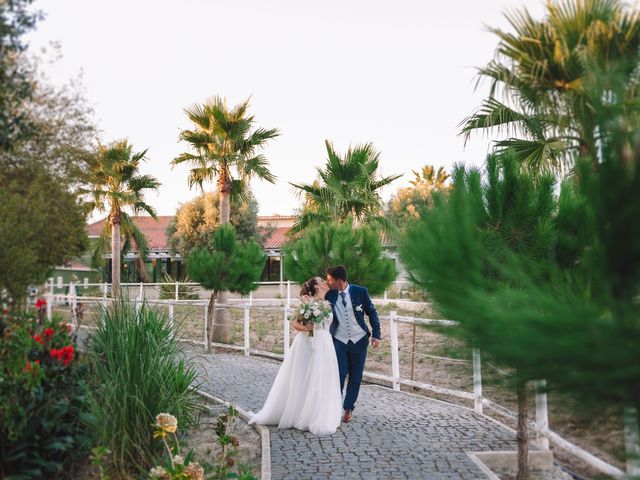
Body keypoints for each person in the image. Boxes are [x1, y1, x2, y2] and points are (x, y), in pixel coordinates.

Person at [249, 276, 342, 435]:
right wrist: (309, 329)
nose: (326, 282)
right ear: (317, 287)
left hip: (326, 344)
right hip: (308, 344)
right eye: (322, 281)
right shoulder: (308, 304)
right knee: (305, 377)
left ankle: (319, 413)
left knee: (322, 378)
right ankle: (303, 415)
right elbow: (296, 324)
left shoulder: (327, 302)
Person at [325, 265, 381, 423]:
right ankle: (335, 405)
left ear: (339, 280)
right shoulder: (329, 294)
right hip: (339, 340)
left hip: (359, 339)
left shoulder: (360, 291)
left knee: (356, 377)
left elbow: (372, 312)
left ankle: (348, 408)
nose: (328, 282)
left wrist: (376, 334)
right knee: (340, 373)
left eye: (330, 280)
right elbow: (312, 291)